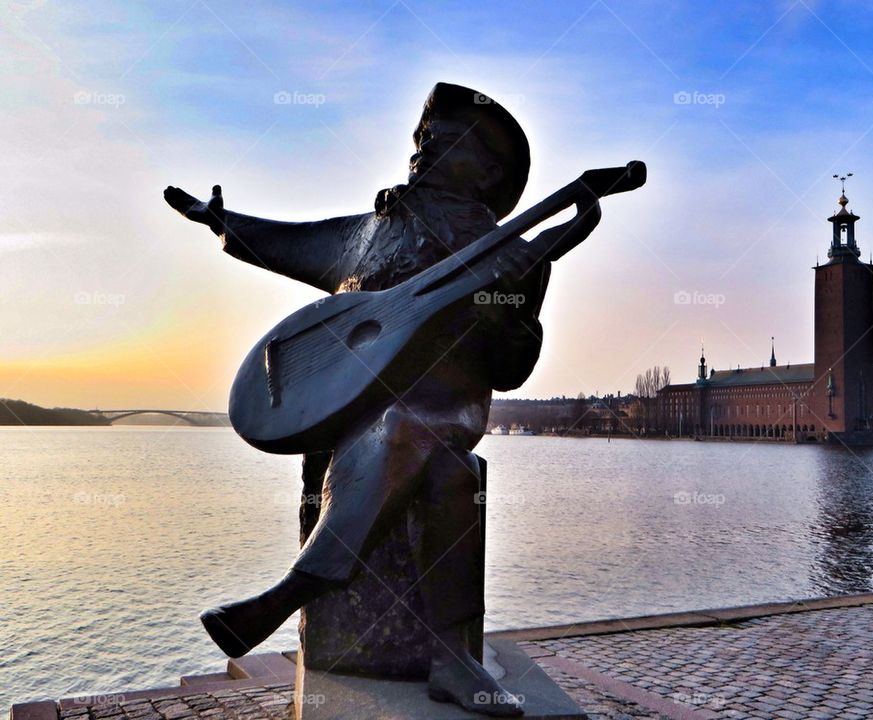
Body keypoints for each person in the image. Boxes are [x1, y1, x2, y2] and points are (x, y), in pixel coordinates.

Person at [164, 82, 600, 717]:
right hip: (354, 416)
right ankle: (453, 659)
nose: (421, 150)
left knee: (415, 435)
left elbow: (512, 370)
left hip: (448, 412)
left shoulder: (516, 251)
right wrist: (222, 221)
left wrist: (503, 313)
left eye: (442, 142)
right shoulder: (367, 233)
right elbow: (288, 240)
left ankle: (292, 592)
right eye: (420, 139)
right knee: (439, 467)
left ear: (486, 170)